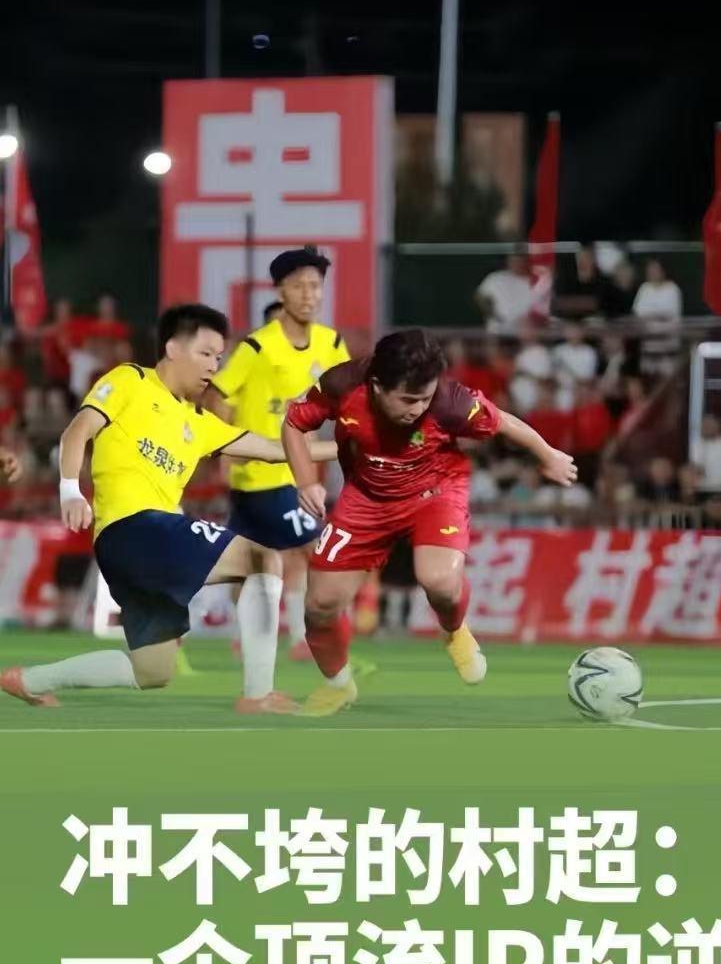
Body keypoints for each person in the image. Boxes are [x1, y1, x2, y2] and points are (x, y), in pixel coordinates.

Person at [0, 304, 337, 714]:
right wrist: (70, 490)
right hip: (136, 527)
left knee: (153, 670)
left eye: (219, 356)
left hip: (132, 550)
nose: (214, 365)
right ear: (173, 348)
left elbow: (272, 449)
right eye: (206, 353)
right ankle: (258, 694)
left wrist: (348, 447)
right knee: (263, 558)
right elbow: (78, 430)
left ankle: (30, 680)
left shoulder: (200, 421)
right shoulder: (130, 380)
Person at [281, 329, 576, 716]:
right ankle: (338, 686)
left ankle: (453, 631)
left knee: (440, 583)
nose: (417, 408)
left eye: (424, 398)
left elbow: (503, 421)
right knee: (319, 605)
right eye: (408, 399)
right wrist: (306, 482)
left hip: (435, 491)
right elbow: (293, 424)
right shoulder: (342, 384)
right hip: (366, 498)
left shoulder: (450, 402)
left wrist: (549, 455)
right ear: (376, 386)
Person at [205, 247, 350, 660]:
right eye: (299, 286)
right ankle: (312, 639)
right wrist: (228, 447)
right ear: (281, 291)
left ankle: (270, 635)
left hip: (295, 472)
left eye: (315, 286)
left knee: (251, 559)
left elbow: (351, 393)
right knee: (315, 549)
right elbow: (218, 395)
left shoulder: (331, 343)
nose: (309, 294)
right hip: (261, 473)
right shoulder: (257, 347)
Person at [474, 252, 533, 333]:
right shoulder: (495, 278)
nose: (518, 264)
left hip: (528, 333)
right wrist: (492, 314)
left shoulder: (536, 281)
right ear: (508, 261)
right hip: (498, 330)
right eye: (514, 260)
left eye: (521, 260)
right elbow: (480, 296)